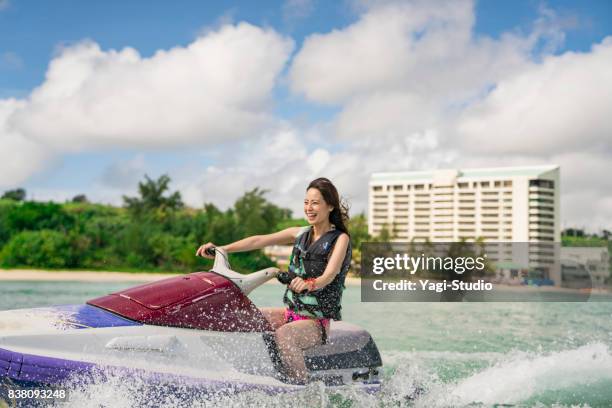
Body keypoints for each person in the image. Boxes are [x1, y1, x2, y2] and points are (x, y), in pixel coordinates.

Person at [196, 177, 351, 383]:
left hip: (316, 322)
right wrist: (223, 248)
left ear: (329, 206)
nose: (309, 208)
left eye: (315, 202)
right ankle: (231, 373)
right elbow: (259, 240)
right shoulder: (299, 233)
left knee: (284, 336)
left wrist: (310, 284)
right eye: (306, 202)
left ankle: (303, 393)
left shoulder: (340, 239)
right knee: (242, 316)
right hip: (290, 313)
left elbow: (330, 273)